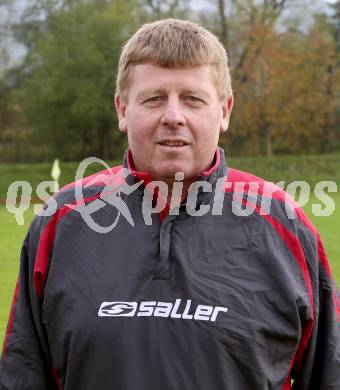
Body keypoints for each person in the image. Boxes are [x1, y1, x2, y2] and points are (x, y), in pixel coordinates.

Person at [1, 18, 339, 390]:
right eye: (153, 98)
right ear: (122, 109)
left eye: (193, 99)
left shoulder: (285, 227)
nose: (173, 117)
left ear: (224, 110)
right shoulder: (62, 223)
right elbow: (23, 375)